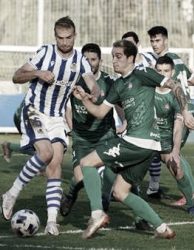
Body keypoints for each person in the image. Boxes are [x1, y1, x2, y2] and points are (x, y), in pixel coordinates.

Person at [72, 39, 194, 239]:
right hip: (148, 147)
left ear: (131, 58)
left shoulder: (143, 74)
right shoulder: (118, 85)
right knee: (121, 192)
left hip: (136, 141)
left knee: (87, 162)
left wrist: (185, 111)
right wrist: (85, 99)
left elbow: (175, 85)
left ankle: (96, 214)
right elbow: (100, 112)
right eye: (113, 56)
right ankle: (162, 227)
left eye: (119, 56)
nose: (114, 60)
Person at [0, 16, 100, 236]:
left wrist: (90, 94)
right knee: (44, 153)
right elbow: (16, 76)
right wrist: (37, 73)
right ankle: (12, 194)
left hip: (57, 118)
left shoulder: (81, 61)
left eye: (69, 37)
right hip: (35, 110)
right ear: (55, 36)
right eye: (60, 38)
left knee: (54, 166)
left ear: (75, 36)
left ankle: (52, 222)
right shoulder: (44, 53)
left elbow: (95, 87)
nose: (65, 42)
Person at [60, 43, 121, 219]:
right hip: (82, 139)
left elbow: (118, 104)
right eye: (86, 59)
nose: (90, 62)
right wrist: (70, 129)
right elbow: (66, 107)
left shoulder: (109, 82)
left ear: (100, 61)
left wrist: (124, 122)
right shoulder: (73, 81)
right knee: (80, 178)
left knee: (113, 169)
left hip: (105, 136)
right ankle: (71, 194)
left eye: (93, 59)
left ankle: (104, 199)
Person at [146, 26, 194, 205]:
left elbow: (170, 85)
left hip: (180, 109)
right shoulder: (177, 59)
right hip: (186, 107)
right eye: (152, 41)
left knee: (172, 153)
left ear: (166, 41)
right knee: (172, 153)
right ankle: (193, 193)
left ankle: (192, 193)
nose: (155, 44)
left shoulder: (166, 62)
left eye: (158, 40)